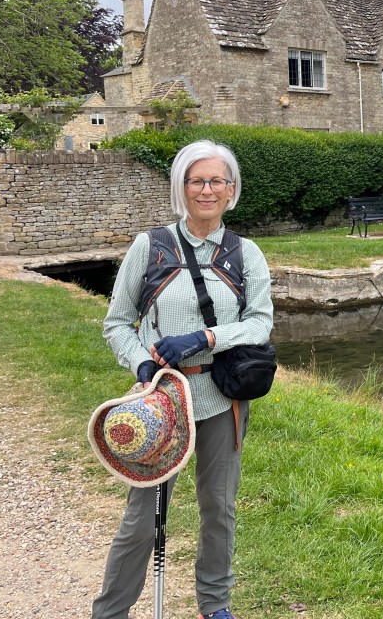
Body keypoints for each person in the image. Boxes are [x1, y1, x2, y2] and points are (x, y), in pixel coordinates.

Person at [93, 140, 274, 619]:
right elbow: (117, 323)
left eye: (217, 181)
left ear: (231, 189)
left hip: (221, 398)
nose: (207, 190)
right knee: (142, 518)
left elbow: (260, 323)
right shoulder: (150, 247)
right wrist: (142, 364)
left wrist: (206, 337)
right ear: (182, 187)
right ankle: (110, 612)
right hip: (160, 404)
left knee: (219, 508)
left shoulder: (246, 253)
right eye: (197, 180)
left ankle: (214, 606)